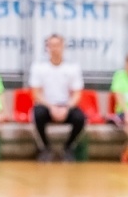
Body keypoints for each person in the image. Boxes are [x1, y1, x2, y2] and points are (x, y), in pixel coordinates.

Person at [28, 33, 85, 162]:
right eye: (51, 45)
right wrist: (51, 107)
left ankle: (68, 147)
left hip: (66, 105)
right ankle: (45, 148)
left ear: (63, 47)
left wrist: (67, 107)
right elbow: (36, 93)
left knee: (80, 117)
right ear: (47, 48)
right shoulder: (38, 67)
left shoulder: (72, 68)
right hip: (46, 105)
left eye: (57, 45)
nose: (54, 48)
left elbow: (77, 94)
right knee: (37, 114)